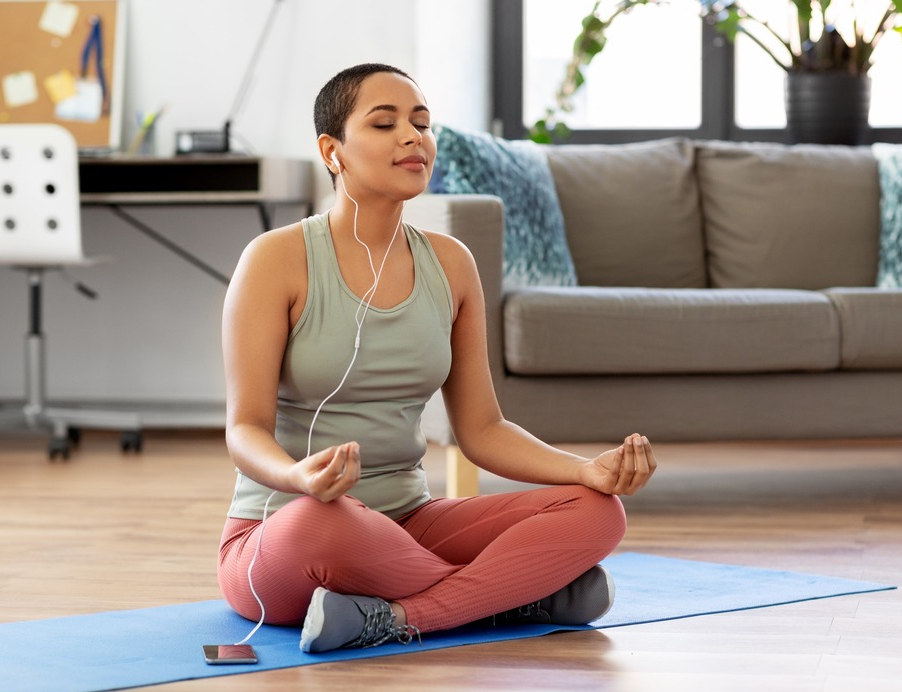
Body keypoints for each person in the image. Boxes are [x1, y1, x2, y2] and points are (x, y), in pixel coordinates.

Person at [219, 63, 656, 653]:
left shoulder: (451, 264)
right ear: (333, 150)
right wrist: (297, 476)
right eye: (385, 123)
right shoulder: (274, 259)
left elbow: (482, 429)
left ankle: (398, 618)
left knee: (598, 513)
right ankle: (515, 598)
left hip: (412, 526)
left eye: (422, 123)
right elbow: (244, 428)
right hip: (287, 529)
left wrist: (583, 470)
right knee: (325, 523)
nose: (412, 137)